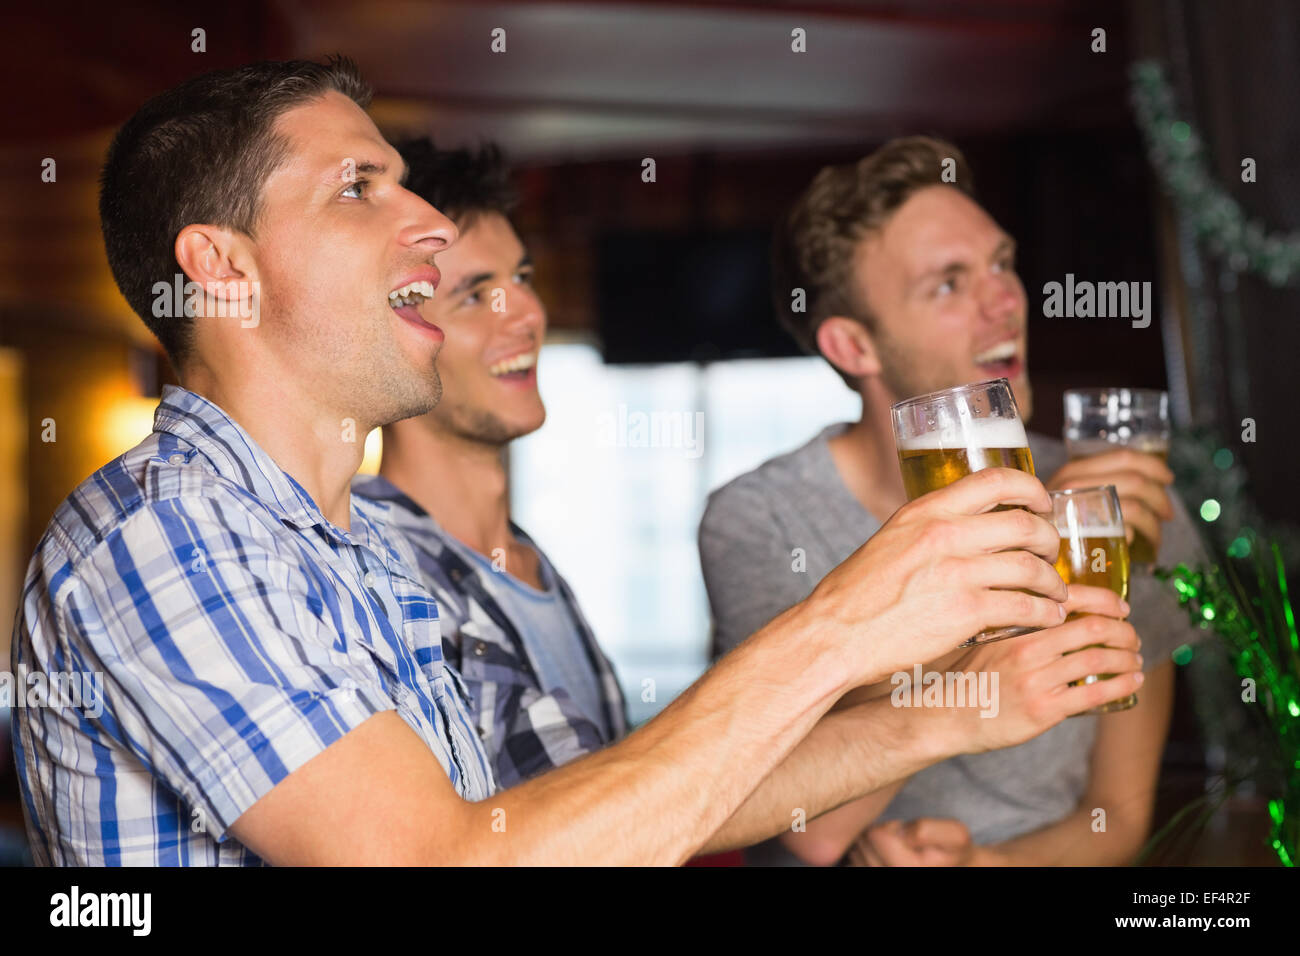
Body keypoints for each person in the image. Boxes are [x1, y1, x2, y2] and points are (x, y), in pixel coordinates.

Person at [10, 61, 1140, 866]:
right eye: (360, 188)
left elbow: (575, 814)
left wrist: (951, 713)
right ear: (223, 269)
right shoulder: (166, 535)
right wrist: (847, 621)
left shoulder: (357, 545)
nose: (431, 225)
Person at [699, 136, 1202, 866]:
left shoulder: (1111, 497)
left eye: (1002, 263)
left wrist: (983, 867)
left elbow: (1114, 820)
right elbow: (815, 830)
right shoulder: (762, 519)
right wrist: (1022, 545)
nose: (1004, 301)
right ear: (853, 346)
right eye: (948, 283)